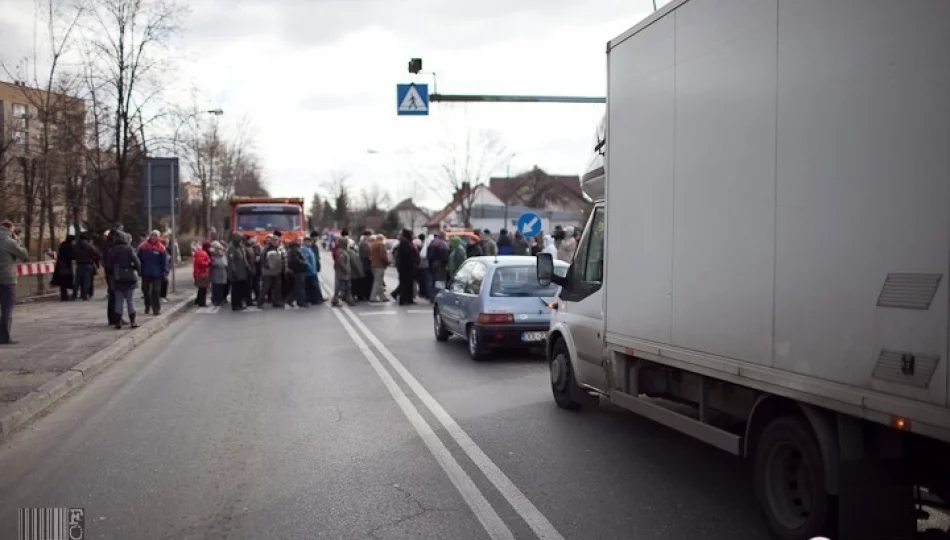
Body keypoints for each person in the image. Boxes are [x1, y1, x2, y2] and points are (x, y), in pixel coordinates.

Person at [0, 221, 30, 344]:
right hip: (7, 279)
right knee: (6, 309)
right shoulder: (9, 242)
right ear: (10, 230)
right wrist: (18, 240)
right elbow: (25, 255)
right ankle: (3, 337)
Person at [105, 232, 141, 329]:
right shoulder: (129, 249)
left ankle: (118, 322)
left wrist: (111, 275)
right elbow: (137, 262)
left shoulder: (113, 250)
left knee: (118, 301)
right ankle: (133, 321)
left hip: (117, 279)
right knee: (130, 301)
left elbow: (109, 266)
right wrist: (137, 271)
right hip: (130, 279)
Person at [137, 230, 168, 315]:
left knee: (156, 291)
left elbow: (164, 261)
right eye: (152, 235)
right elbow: (138, 259)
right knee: (145, 290)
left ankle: (156, 309)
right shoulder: (143, 247)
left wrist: (165, 271)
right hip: (145, 272)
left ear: (158, 237)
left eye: (155, 235)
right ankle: (147, 305)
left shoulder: (161, 248)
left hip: (157, 273)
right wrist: (139, 269)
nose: (153, 237)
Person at [259, 235, 285, 308]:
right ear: (271, 241)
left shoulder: (278, 248)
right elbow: (262, 258)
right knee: (266, 287)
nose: (275, 241)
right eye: (273, 240)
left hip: (276, 271)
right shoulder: (266, 248)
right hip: (268, 272)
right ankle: (260, 303)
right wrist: (267, 266)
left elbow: (281, 258)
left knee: (277, 287)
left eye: (276, 240)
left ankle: (276, 302)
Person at [226, 233, 251, 312]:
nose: (241, 242)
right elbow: (231, 261)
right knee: (236, 290)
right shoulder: (232, 248)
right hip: (236, 273)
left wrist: (248, 268)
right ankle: (235, 305)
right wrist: (234, 272)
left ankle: (239, 303)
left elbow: (243, 259)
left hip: (242, 272)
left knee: (241, 289)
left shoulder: (239, 247)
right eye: (240, 240)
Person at [73, 233, 100, 300]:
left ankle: (74, 295)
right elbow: (97, 253)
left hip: (79, 264)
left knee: (77, 281)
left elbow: (72, 255)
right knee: (87, 281)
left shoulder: (75, 246)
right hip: (88, 264)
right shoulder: (89, 246)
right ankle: (85, 295)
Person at [395, 229, 418, 306]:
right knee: (405, 284)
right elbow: (408, 256)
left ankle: (408, 299)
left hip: (407, 267)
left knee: (408, 284)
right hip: (406, 267)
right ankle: (403, 299)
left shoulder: (406, 243)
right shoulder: (405, 243)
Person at [332, 237, 355, 307]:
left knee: (347, 287)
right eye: (347, 243)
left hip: (344, 273)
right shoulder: (341, 252)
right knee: (340, 287)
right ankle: (335, 301)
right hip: (342, 273)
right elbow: (341, 262)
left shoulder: (343, 251)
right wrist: (346, 270)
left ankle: (349, 300)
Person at [51, 235, 76, 301]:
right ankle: (72, 295)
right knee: (68, 280)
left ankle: (64, 296)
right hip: (66, 265)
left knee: (62, 283)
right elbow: (72, 256)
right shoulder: (70, 246)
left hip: (60, 265)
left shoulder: (62, 245)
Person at [286, 238, 309, 308]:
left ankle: (291, 300)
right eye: (299, 241)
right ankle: (300, 302)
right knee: (300, 287)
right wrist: (304, 263)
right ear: (296, 242)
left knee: (298, 286)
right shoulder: (294, 249)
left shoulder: (296, 249)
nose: (301, 242)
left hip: (298, 270)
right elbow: (296, 260)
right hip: (298, 270)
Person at [368, 235, 389, 302]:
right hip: (379, 265)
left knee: (379, 282)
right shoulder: (381, 245)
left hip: (373, 265)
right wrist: (387, 262)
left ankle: (383, 297)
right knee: (377, 282)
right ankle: (373, 297)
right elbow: (383, 255)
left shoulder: (373, 245)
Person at [302, 237, 322, 305]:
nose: (310, 243)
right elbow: (306, 260)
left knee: (313, 286)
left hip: (313, 271)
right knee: (311, 286)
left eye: (310, 242)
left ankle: (315, 299)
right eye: (308, 242)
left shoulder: (309, 249)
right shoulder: (304, 249)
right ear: (304, 242)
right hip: (309, 272)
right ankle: (312, 299)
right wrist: (310, 269)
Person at [210, 241, 228, 306]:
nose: (220, 251)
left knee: (221, 288)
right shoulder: (213, 256)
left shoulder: (223, 256)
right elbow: (213, 263)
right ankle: (215, 300)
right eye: (218, 249)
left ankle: (220, 299)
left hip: (223, 274)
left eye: (220, 249)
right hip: (216, 274)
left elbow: (226, 263)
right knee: (216, 288)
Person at [193, 241, 211, 307]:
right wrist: (208, 263)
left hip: (201, 273)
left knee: (201, 288)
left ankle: (198, 300)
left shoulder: (202, 253)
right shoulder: (203, 253)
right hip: (201, 273)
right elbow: (201, 263)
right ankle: (202, 303)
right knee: (203, 289)